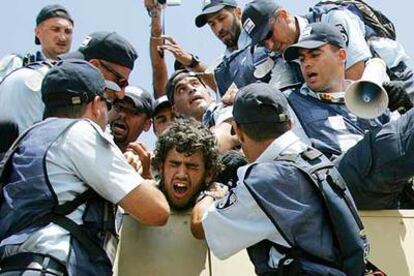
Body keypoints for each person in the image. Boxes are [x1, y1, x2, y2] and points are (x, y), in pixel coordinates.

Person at [0, 60, 169, 275]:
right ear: (96, 105)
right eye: (109, 105)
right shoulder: (80, 131)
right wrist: (135, 174)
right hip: (52, 266)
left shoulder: (25, 141)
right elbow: (156, 210)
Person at [191, 82, 367, 275]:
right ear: (289, 123)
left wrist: (214, 189)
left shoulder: (263, 180)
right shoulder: (314, 157)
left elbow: (200, 226)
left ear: (238, 131)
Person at [241, 0, 414, 96]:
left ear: (283, 16)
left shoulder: (332, 18)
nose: (270, 45)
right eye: (263, 42)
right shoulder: (280, 56)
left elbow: (356, 78)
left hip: (400, 86)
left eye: (269, 34)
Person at [0, 31, 137, 134]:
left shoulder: (54, 83)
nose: (121, 94)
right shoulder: (38, 83)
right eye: (120, 81)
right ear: (96, 66)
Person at [151, 117, 224, 210]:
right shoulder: (139, 199)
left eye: (191, 167)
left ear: (208, 174)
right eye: (174, 164)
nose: (181, 175)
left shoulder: (221, 206)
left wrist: (212, 197)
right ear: (161, 168)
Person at [165, 69, 238, 153]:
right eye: (181, 90)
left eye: (195, 83)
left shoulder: (225, 106)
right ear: (175, 110)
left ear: (208, 91)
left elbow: (218, 143)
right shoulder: (181, 137)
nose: (191, 89)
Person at [0, 4, 74, 81]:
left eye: (68, 31)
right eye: (55, 29)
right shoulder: (17, 67)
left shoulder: (78, 74)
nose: (62, 37)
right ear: (38, 32)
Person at [109, 86, 154, 153]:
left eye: (133, 112)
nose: (122, 114)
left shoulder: (145, 162)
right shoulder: (89, 138)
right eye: (119, 106)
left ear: (147, 124)